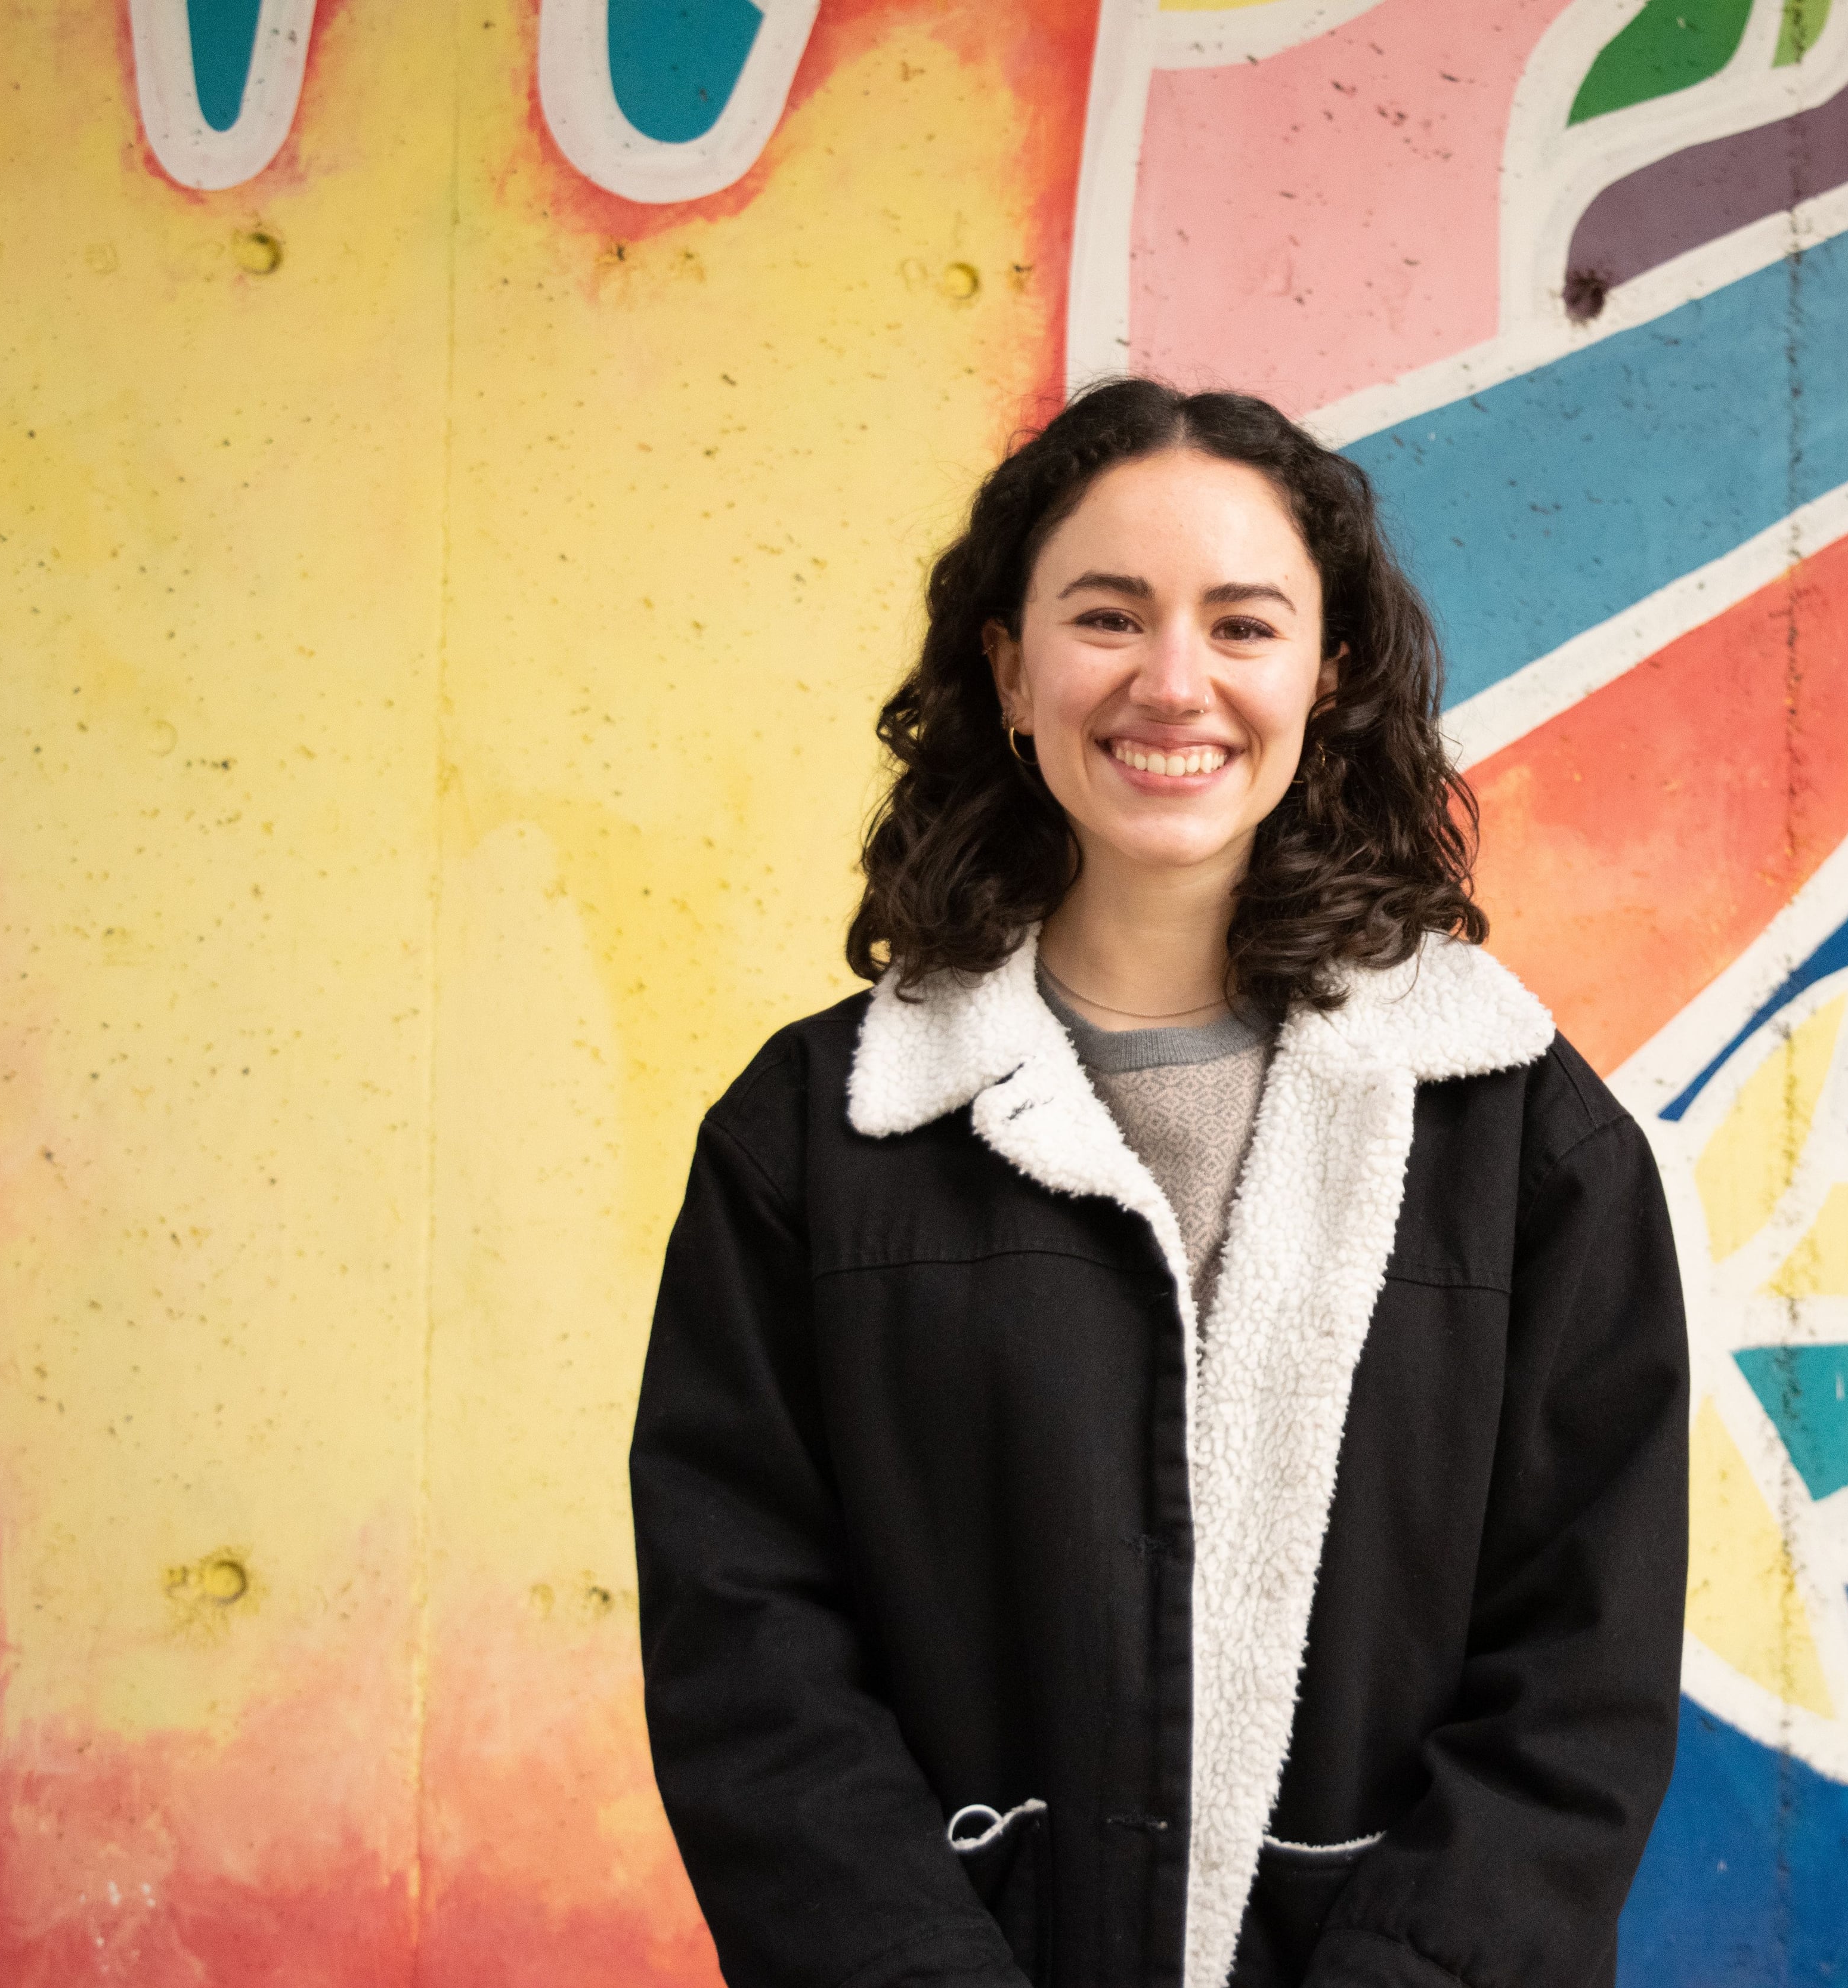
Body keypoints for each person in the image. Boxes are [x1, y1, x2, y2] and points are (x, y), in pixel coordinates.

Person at [629, 378, 1689, 1988]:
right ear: (1009, 668)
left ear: (1329, 678)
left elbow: (1580, 1672)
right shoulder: (817, 1138)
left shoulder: (1517, 1136)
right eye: (1108, 617)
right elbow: (750, 1655)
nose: (1173, 684)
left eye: (1244, 626)